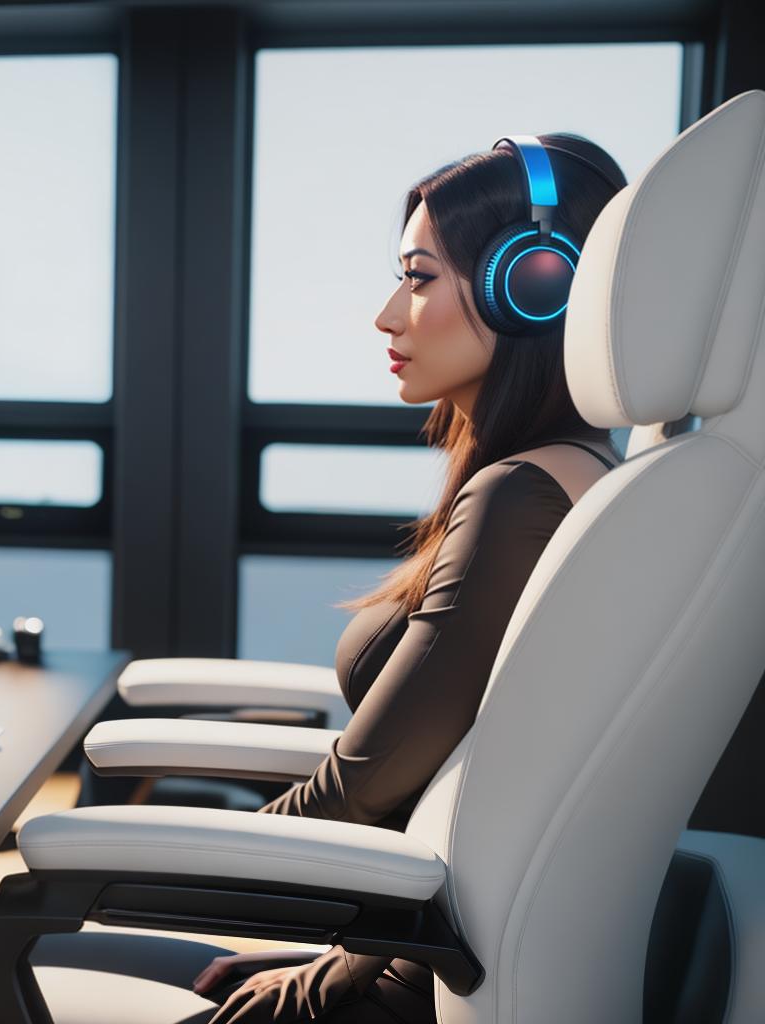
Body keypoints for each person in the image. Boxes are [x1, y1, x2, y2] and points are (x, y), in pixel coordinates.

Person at [187, 131, 629, 1023]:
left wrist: (150, 857)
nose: (388, 314)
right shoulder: (580, 468)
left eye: (420, 277)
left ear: (533, 284)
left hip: (397, 984)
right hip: (399, 951)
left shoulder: (520, 499)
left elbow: (363, 788)